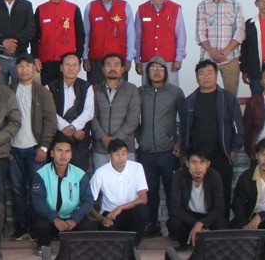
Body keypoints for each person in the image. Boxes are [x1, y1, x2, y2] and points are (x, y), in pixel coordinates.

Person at [179, 60, 244, 212]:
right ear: (196, 77)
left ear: (216, 76)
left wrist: (234, 150)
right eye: (201, 73)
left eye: (210, 73)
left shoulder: (228, 99)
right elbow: (184, 129)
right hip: (197, 159)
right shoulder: (189, 101)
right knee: (198, 196)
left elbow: (238, 127)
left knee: (222, 194)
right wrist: (184, 153)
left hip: (222, 155)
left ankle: (221, 224)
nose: (206, 77)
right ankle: (199, 223)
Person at [7, 54, 56, 242]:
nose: (24, 69)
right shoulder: (8, 90)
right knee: (17, 190)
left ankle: (37, 229)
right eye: (20, 66)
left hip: (35, 150)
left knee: (37, 191)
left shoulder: (43, 92)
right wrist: (5, 146)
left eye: (28, 65)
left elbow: (50, 121)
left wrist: (44, 147)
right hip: (14, 150)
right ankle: (21, 227)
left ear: (34, 68)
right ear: (16, 69)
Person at [136, 57, 183, 238]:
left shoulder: (175, 92)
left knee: (172, 191)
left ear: (166, 71)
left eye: (160, 68)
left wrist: (179, 141)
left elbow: (184, 119)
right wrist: (140, 137)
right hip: (146, 152)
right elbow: (133, 117)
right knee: (150, 191)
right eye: (153, 68)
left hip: (169, 151)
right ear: (147, 72)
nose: (156, 72)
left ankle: (175, 226)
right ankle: (152, 224)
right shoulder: (140, 92)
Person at [30, 134, 95, 258]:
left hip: (71, 218)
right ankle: (44, 244)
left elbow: (88, 200)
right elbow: (38, 201)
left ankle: (76, 244)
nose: (63, 155)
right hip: (50, 219)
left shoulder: (79, 174)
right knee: (39, 226)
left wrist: (75, 219)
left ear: (71, 155)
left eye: (67, 151)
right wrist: (54, 218)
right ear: (52, 153)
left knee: (88, 226)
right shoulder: (41, 174)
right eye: (59, 151)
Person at [85, 139, 149, 245]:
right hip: (110, 214)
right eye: (117, 154)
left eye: (123, 153)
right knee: (109, 243)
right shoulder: (101, 172)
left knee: (143, 211)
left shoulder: (137, 167)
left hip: (131, 212)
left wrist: (120, 208)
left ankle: (133, 245)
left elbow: (143, 199)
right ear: (109, 156)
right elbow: (87, 202)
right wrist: (101, 218)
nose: (121, 158)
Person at [194, 0, 246, 95]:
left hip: (231, 58)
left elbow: (240, 32)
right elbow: (200, 33)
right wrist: (212, 52)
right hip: (208, 58)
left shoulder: (235, 5)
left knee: (231, 95)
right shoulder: (202, 6)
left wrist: (226, 51)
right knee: (207, 92)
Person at [166, 149, 228, 250]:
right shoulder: (179, 175)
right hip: (188, 217)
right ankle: (186, 243)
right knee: (174, 223)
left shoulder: (215, 177)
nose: (198, 167)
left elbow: (219, 209)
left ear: (208, 164)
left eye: (202, 162)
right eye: (194, 162)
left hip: (207, 217)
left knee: (222, 224)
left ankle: (210, 245)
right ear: (187, 163)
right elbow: (175, 208)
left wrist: (201, 224)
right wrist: (195, 224)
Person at [84, 0, 137, 87]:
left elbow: (131, 35)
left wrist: (129, 58)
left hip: (118, 62)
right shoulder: (90, 7)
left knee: (119, 94)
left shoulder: (125, 6)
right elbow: (86, 35)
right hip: (96, 61)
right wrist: (84, 57)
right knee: (96, 93)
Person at [90, 53, 140, 170]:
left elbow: (133, 119)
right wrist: (103, 137)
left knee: (126, 180)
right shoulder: (94, 90)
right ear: (103, 69)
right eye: (108, 65)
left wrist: (114, 140)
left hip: (125, 148)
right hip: (101, 148)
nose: (112, 68)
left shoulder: (131, 90)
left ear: (123, 69)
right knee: (102, 180)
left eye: (116, 65)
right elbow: (91, 116)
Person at [33, 0, 84, 87]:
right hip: (46, 61)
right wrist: (35, 57)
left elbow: (80, 35)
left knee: (67, 92)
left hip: (67, 62)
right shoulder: (40, 9)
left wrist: (78, 57)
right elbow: (34, 36)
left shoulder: (74, 9)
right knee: (48, 92)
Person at [136, 0, 187, 86]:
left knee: (171, 91)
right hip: (147, 60)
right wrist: (137, 61)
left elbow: (181, 35)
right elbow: (137, 37)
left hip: (169, 61)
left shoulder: (175, 8)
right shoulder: (141, 9)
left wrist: (179, 58)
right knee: (147, 92)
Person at [48, 52, 94, 170]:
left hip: (80, 139)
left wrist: (73, 127)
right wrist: (70, 130)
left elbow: (89, 112)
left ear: (79, 68)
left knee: (79, 174)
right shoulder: (50, 87)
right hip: (58, 137)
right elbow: (50, 113)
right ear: (61, 67)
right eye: (67, 64)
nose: (71, 68)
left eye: (74, 65)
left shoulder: (87, 86)